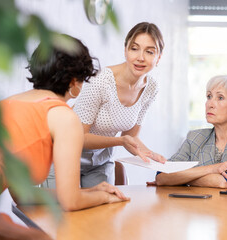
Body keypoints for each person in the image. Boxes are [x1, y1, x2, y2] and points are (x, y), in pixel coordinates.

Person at [0, 35, 129, 238]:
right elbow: (70, 201)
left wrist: (88, 192)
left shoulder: (7, 103)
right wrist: (105, 198)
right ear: (75, 82)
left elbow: (23, 197)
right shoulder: (64, 116)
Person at [71, 22, 166, 187]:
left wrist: (149, 154)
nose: (141, 57)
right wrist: (120, 141)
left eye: (150, 52)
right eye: (134, 48)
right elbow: (78, 137)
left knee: (102, 210)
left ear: (159, 57)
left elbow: (131, 136)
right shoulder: (102, 80)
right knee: (66, 210)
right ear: (125, 50)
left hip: (100, 162)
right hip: (66, 155)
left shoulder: (151, 88)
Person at [153, 75, 227, 188]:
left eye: (220, 98)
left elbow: (224, 182)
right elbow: (162, 176)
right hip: (195, 205)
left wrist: (182, 178)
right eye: (209, 96)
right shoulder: (194, 137)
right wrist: (214, 168)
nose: (210, 104)